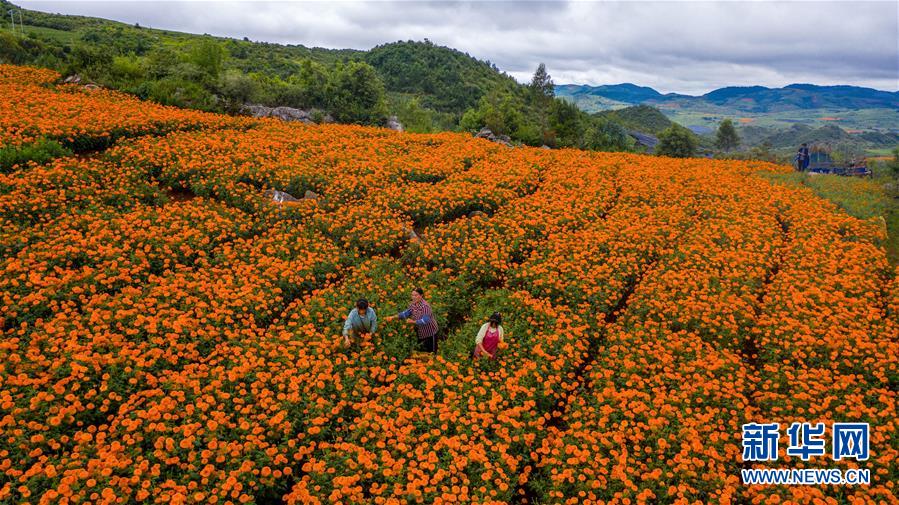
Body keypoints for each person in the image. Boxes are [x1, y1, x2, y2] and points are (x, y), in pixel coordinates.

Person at [385, 287, 440, 353]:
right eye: (412, 295)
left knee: (432, 352)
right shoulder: (413, 304)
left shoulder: (425, 306)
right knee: (422, 350)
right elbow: (406, 313)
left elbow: (425, 320)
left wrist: (413, 322)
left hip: (430, 333)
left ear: (421, 295)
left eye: (416, 295)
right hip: (420, 332)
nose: (413, 297)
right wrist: (393, 317)